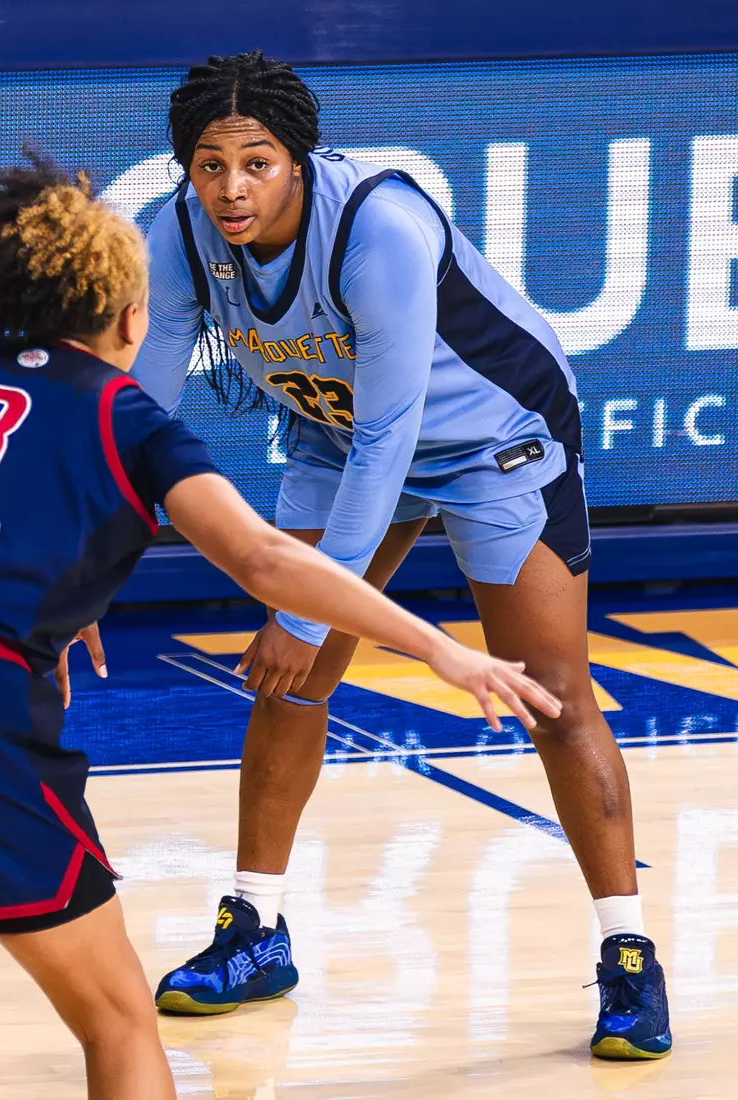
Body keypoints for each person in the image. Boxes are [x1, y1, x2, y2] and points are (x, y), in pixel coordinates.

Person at [0, 153, 558, 1100]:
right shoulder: (127, 415)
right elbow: (266, 559)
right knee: (117, 1021)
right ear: (131, 318)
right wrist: (438, 647)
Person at [135, 51, 671, 1060]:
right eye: (210, 165)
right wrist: (77, 551)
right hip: (337, 440)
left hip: (491, 438)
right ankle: (255, 930)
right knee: (288, 682)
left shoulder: (379, 223)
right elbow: (141, 412)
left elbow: (393, 440)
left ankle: (629, 957)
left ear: (298, 159)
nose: (232, 187)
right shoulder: (179, 232)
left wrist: (303, 612)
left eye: (256, 163)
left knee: (553, 692)